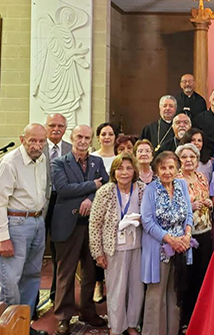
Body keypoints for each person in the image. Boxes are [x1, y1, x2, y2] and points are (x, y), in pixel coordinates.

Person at [0, 123, 49, 335]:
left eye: (42, 141)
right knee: (10, 280)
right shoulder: (9, 163)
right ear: (22, 139)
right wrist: (3, 237)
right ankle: (8, 328)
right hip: (16, 225)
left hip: (37, 222)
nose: (37, 145)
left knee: (32, 276)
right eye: (33, 140)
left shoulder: (41, 160)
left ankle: (24, 325)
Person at [51, 125, 109, 335]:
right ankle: (63, 317)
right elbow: (63, 189)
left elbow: (105, 185)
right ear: (71, 137)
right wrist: (91, 186)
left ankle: (87, 311)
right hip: (68, 224)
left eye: (87, 137)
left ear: (91, 140)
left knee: (90, 272)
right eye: (79, 137)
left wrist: (90, 199)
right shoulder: (59, 162)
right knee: (65, 273)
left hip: (92, 226)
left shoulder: (97, 161)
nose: (83, 141)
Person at [89, 153, 145, 335]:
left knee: (136, 290)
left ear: (134, 171)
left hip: (138, 247)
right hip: (113, 249)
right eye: (120, 168)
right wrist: (98, 252)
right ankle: (116, 326)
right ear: (113, 172)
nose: (124, 172)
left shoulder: (143, 189)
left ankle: (131, 325)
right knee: (116, 289)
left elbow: (151, 217)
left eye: (129, 168)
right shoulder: (105, 192)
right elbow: (95, 224)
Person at [141, 151, 193, 335]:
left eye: (171, 167)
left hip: (181, 248)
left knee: (174, 293)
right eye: (163, 167)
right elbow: (147, 222)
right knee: (157, 294)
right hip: (158, 249)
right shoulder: (150, 190)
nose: (167, 171)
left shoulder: (182, 185)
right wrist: (171, 240)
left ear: (177, 169)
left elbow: (188, 214)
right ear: (156, 170)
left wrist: (186, 236)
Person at [174, 144, 214, 332]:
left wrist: (208, 202)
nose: (189, 160)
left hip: (205, 231)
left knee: (202, 275)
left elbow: (208, 199)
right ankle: (185, 318)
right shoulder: (175, 179)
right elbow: (172, 207)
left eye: (192, 157)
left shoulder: (201, 177)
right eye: (184, 157)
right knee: (186, 278)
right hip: (186, 235)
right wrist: (192, 205)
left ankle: (200, 316)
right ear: (179, 160)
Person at [43, 113, 72, 303]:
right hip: (41, 203)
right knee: (35, 252)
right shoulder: (37, 145)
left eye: (60, 126)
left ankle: (56, 295)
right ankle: (29, 302)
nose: (56, 129)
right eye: (52, 125)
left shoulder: (71, 149)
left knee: (59, 253)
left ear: (65, 128)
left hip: (62, 204)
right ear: (46, 127)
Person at [90, 121, 119, 303]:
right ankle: (98, 283)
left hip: (118, 212)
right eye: (104, 134)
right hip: (97, 209)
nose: (107, 137)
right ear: (98, 137)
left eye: (110, 134)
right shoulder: (92, 157)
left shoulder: (120, 158)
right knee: (98, 247)